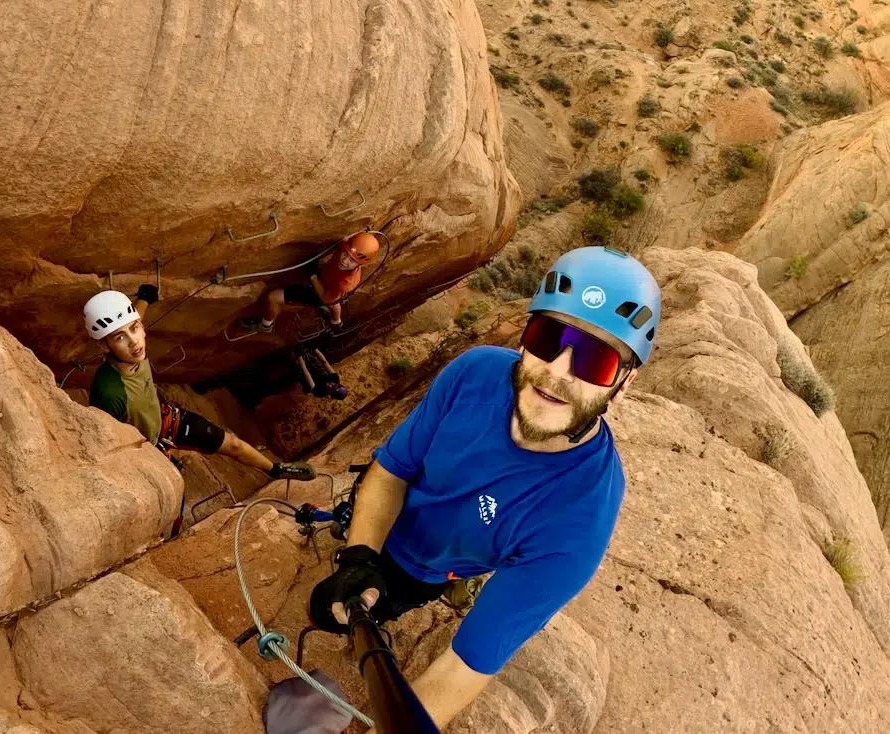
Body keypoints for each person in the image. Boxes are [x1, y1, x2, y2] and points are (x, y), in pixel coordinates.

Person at [306, 246, 662, 730]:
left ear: (624, 382)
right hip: (384, 517)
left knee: (352, 613)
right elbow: (392, 471)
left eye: (596, 360)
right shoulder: (474, 373)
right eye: (548, 336)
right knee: (324, 606)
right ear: (525, 336)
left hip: (424, 572)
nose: (558, 371)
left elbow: (466, 662)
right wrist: (357, 557)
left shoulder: (580, 516)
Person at [83, 287, 317, 481]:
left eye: (135, 328)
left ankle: (275, 470)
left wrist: (144, 299)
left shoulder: (131, 345)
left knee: (233, 444)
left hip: (163, 420)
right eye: (120, 337)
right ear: (103, 346)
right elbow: (108, 440)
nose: (134, 342)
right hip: (146, 447)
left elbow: (134, 318)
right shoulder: (109, 392)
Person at [240, 231, 379, 334]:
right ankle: (336, 322)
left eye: (351, 260)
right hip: (326, 280)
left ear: (360, 263)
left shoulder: (346, 283)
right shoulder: (347, 247)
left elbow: (326, 298)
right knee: (335, 301)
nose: (344, 260)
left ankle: (265, 325)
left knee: (273, 297)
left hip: (321, 293)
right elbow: (346, 241)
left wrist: (313, 277)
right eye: (345, 254)